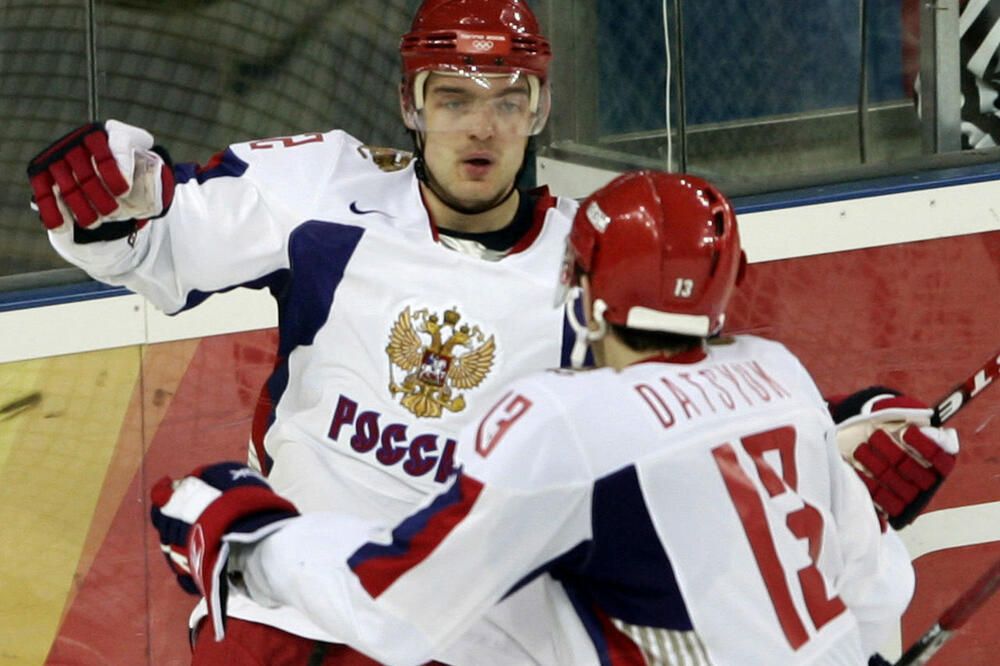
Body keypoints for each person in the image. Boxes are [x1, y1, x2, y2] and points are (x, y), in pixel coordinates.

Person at [150, 170, 960, 665]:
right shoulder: (778, 374)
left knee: (490, 588)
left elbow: (396, 611)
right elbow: (882, 579)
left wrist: (247, 542)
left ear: (581, 285)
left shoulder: (570, 420)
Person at [26, 1, 597, 663]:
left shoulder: (596, 262)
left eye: (508, 101)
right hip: (280, 613)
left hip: (457, 640)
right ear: (410, 107)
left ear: (540, 110)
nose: (481, 128)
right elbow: (159, 242)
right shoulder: (327, 188)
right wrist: (111, 203)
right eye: (452, 99)